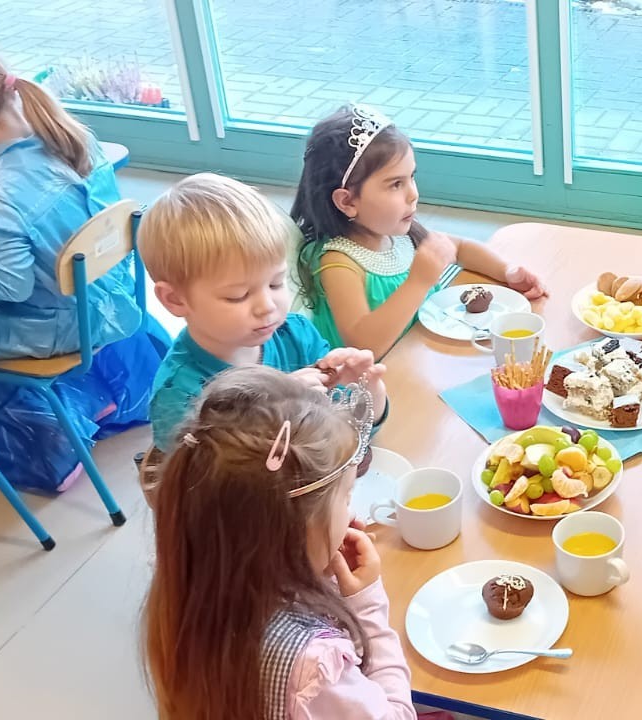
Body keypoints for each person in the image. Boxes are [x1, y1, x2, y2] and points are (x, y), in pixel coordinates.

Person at [0, 33, 165, 493]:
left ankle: (52, 435)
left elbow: (11, 288)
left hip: (61, 325)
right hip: (112, 299)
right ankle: (93, 395)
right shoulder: (70, 135)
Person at [143, 365, 414, 719]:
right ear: (294, 530)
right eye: (347, 495)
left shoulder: (190, 589)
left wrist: (317, 576)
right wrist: (367, 606)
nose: (350, 513)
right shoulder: (313, 666)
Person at [139, 173, 388, 454]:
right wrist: (274, 412)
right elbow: (204, 479)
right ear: (175, 299)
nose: (267, 306)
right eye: (238, 295)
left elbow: (344, 440)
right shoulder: (179, 396)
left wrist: (367, 396)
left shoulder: (296, 336)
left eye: (276, 283)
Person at [290, 104, 545, 356]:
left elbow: (460, 248)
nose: (413, 194)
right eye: (395, 184)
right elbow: (364, 345)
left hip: (421, 354)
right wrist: (418, 282)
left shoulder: (398, 233)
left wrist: (507, 271)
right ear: (347, 202)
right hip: (378, 377)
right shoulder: (338, 263)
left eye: (411, 177)